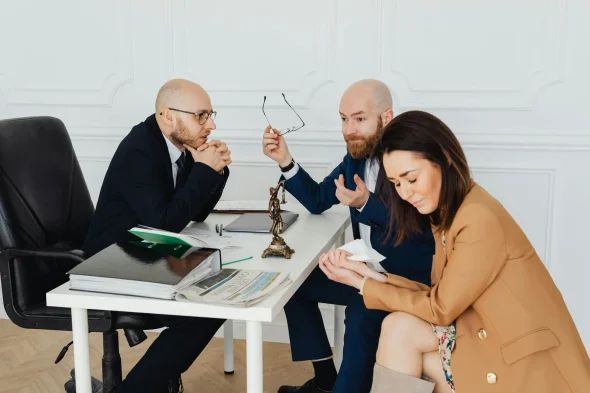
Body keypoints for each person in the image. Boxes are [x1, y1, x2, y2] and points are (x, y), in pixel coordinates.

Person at [317, 110, 590, 393]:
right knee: (399, 328)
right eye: (396, 184)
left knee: (399, 332)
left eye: (411, 178)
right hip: (483, 339)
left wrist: (363, 284)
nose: (405, 193)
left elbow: (440, 309)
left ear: (444, 158)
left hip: (523, 368)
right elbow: (439, 294)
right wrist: (369, 276)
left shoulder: (478, 219)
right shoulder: (448, 213)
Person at [262, 80, 435, 393]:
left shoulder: (414, 159)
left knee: (360, 315)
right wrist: (286, 162)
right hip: (366, 270)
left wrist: (366, 203)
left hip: (407, 281)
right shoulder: (355, 157)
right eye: (343, 119)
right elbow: (317, 199)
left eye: (359, 119)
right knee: (293, 285)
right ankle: (326, 379)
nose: (349, 129)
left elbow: (419, 229)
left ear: (387, 117)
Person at [81, 79, 232, 393]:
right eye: (201, 115)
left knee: (216, 291)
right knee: (205, 309)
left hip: (142, 248)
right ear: (168, 116)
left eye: (210, 114)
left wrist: (214, 169)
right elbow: (166, 223)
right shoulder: (141, 150)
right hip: (110, 257)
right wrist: (203, 170)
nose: (211, 124)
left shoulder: (176, 144)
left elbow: (196, 213)